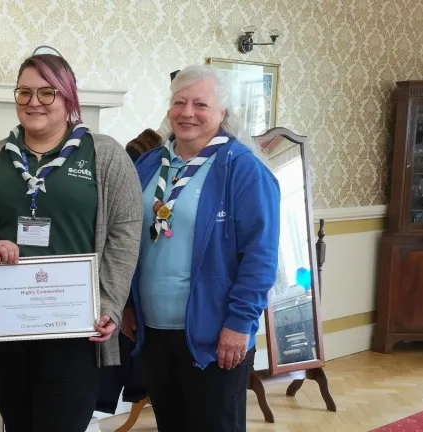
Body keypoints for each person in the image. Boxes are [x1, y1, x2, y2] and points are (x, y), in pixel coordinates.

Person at [0, 54, 143, 432]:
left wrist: (109, 303)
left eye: (46, 92)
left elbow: (125, 233)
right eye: (24, 92)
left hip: (75, 329)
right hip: (4, 327)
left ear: (68, 98)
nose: (33, 101)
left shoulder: (105, 155)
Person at [121, 64, 281, 432]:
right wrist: (129, 303)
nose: (187, 112)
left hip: (214, 335)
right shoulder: (149, 164)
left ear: (223, 113)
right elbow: (128, 237)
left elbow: (261, 256)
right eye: (179, 102)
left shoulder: (243, 169)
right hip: (154, 331)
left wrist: (240, 324)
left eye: (201, 104)